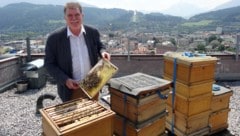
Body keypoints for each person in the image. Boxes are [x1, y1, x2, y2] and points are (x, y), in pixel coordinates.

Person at [44, 2, 111, 102]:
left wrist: (103, 52)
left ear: (82, 16)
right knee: (73, 116)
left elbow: (100, 46)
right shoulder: (54, 38)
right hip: (70, 89)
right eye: (70, 15)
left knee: (93, 114)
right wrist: (65, 80)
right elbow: (49, 64)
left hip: (92, 84)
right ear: (65, 18)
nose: (74, 18)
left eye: (77, 15)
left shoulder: (93, 32)